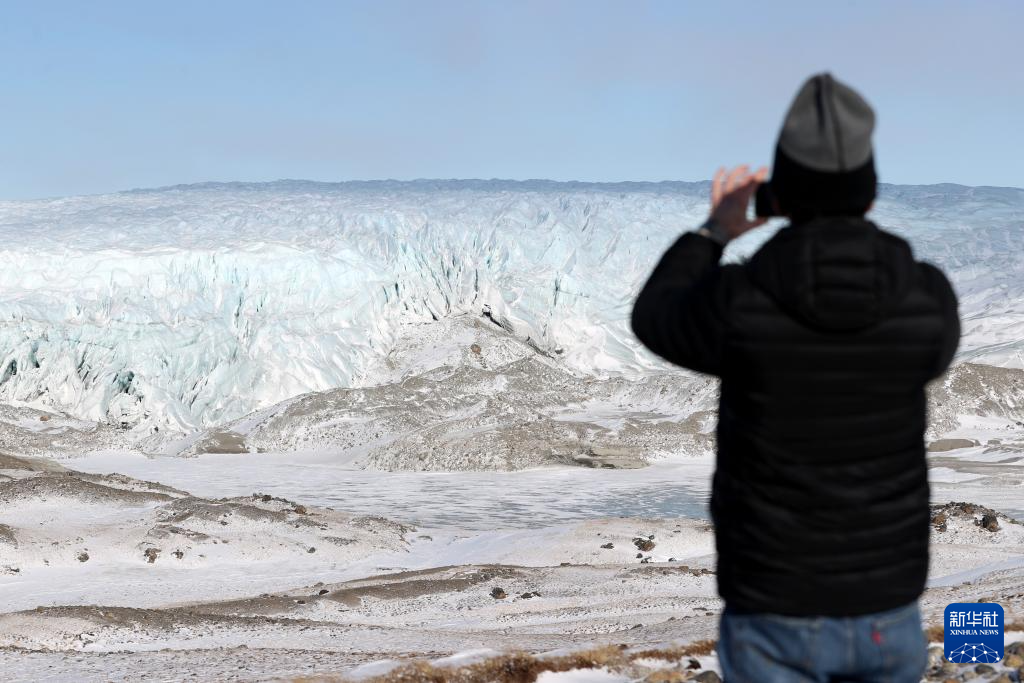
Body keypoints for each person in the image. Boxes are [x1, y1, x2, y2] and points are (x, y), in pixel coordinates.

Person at [631, 73, 960, 682]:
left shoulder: (741, 301)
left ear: (779, 196)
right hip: (886, 608)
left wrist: (715, 233)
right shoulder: (924, 298)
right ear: (868, 191)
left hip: (773, 606)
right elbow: (935, 353)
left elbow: (655, 318)